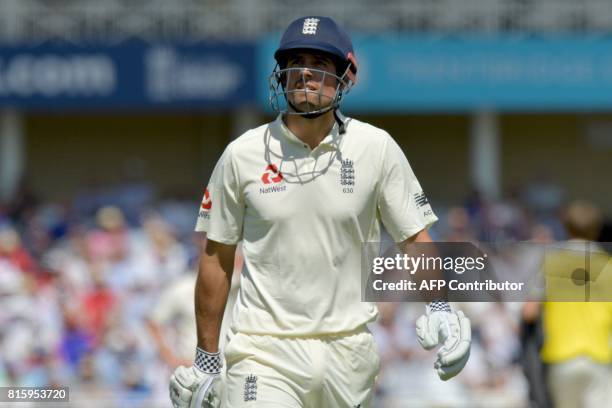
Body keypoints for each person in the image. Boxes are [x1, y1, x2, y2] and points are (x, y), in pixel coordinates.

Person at [170, 16, 471, 408]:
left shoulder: (375, 148)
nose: (304, 75)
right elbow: (217, 257)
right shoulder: (242, 154)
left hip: (349, 353)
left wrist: (442, 307)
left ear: (346, 77)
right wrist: (207, 360)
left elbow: (414, 239)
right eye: (294, 63)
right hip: (263, 352)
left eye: (319, 65)